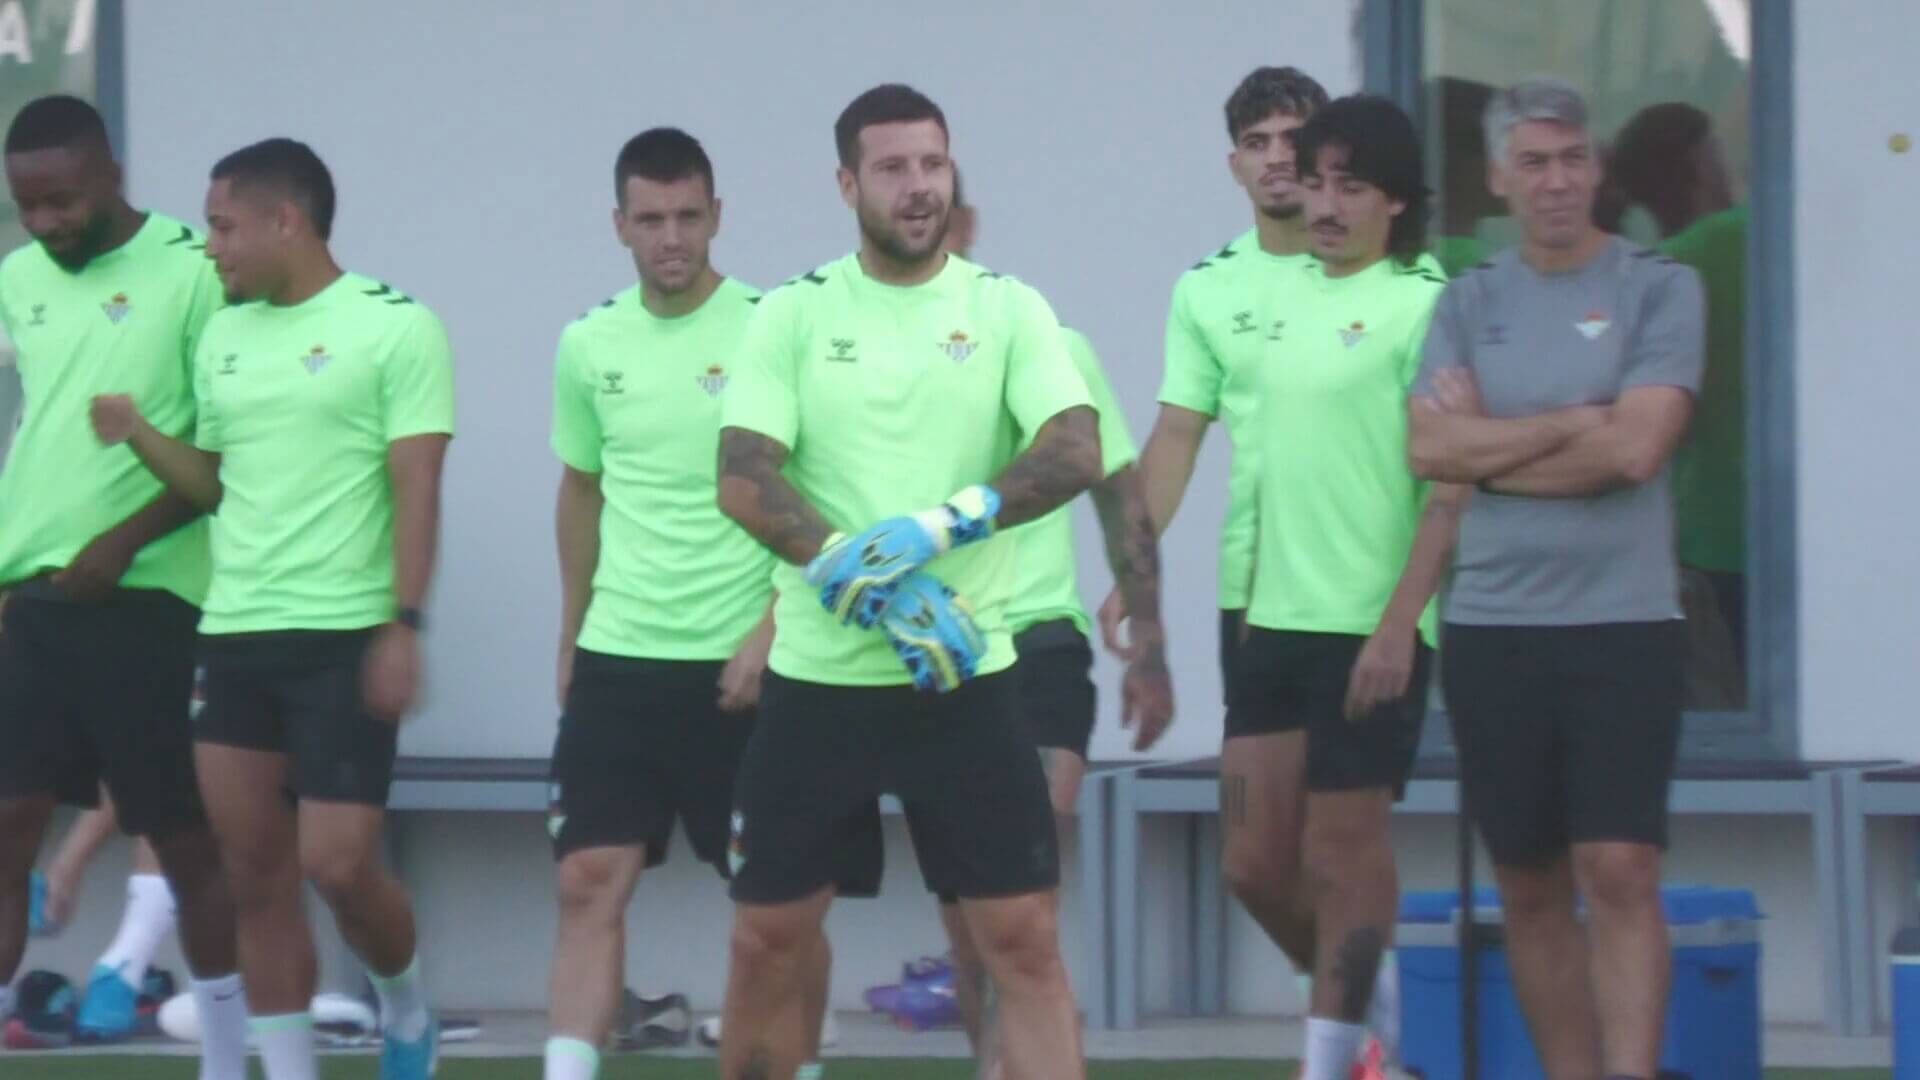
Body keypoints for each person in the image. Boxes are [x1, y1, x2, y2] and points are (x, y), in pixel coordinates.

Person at [713, 83, 1100, 1080]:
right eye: (892, 167)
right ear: (848, 183)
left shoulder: (1008, 308)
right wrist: (858, 574)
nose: (917, 185)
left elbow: (1075, 446)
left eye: (931, 163)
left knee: (1022, 942)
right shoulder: (792, 313)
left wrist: (944, 525)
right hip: (821, 681)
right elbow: (745, 476)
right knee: (767, 944)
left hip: (965, 675)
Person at [91, 136, 456, 1080]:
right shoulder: (224, 334)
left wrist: (403, 624)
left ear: (283, 220)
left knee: (336, 865)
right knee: (253, 875)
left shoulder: (396, 326)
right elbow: (212, 486)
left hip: (345, 639)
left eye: (222, 226)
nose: (211, 247)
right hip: (236, 636)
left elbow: (417, 487)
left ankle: (406, 1006)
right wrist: (138, 437)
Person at [542, 126, 869, 1080]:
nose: (672, 236)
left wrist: (772, 630)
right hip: (620, 656)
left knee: (779, 908)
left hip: (748, 664)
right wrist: (571, 636)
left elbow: (818, 497)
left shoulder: (776, 326)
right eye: (651, 219)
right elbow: (582, 492)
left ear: (718, 216)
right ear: (620, 226)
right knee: (586, 880)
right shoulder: (588, 341)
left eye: (689, 216)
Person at [1407, 79, 1704, 1080]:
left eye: (1573, 158)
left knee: (1620, 867)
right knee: (1528, 882)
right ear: (1498, 177)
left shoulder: (1658, 287)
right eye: (1533, 162)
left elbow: (1635, 452)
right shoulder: (1466, 300)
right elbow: (1427, 451)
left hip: (1626, 625)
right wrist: (1577, 419)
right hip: (1495, 628)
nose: (1557, 180)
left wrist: (1491, 445)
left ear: (1598, 167)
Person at [0, 93, 247, 1078]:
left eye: (65, 201)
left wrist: (127, 539)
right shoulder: (20, 280)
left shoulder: (197, 270)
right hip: (29, 603)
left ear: (112, 175)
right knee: (6, 830)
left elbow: (228, 451)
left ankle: (229, 1053)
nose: (49, 224)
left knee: (184, 844)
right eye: (30, 207)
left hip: (150, 598)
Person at [925, 172, 1175, 1074]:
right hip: (934, 659)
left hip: (1039, 646)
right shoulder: (873, 355)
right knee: (965, 932)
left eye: (942, 206)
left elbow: (1119, 489)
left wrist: (1149, 641)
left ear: (968, 223)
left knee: (1022, 913)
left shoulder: (1051, 343)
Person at [1231, 95, 1458, 1080]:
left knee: (1341, 852)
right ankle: (1386, 1021)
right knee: (1251, 864)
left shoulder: (1428, 301)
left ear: (1396, 203)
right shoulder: (1283, 297)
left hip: (1373, 626)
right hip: (1273, 618)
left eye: (1349, 186)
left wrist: (1400, 624)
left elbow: (1449, 486)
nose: (1324, 203)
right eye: (1316, 180)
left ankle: (1331, 1064)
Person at [1605, 102, 1748, 702]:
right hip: (1773, 526)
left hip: (1700, 536)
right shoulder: (1753, 241)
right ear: (1699, 161)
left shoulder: (1658, 272)